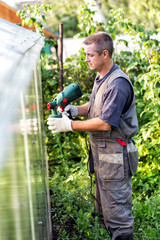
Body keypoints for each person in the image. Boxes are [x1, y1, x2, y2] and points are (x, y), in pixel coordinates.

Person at [47, 32, 139, 240]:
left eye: (90, 55)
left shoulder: (117, 84)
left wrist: (70, 125)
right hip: (104, 156)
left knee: (118, 217)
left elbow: (105, 123)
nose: (86, 59)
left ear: (104, 54)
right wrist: (76, 110)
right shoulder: (103, 78)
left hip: (115, 156)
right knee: (106, 210)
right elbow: (98, 105)